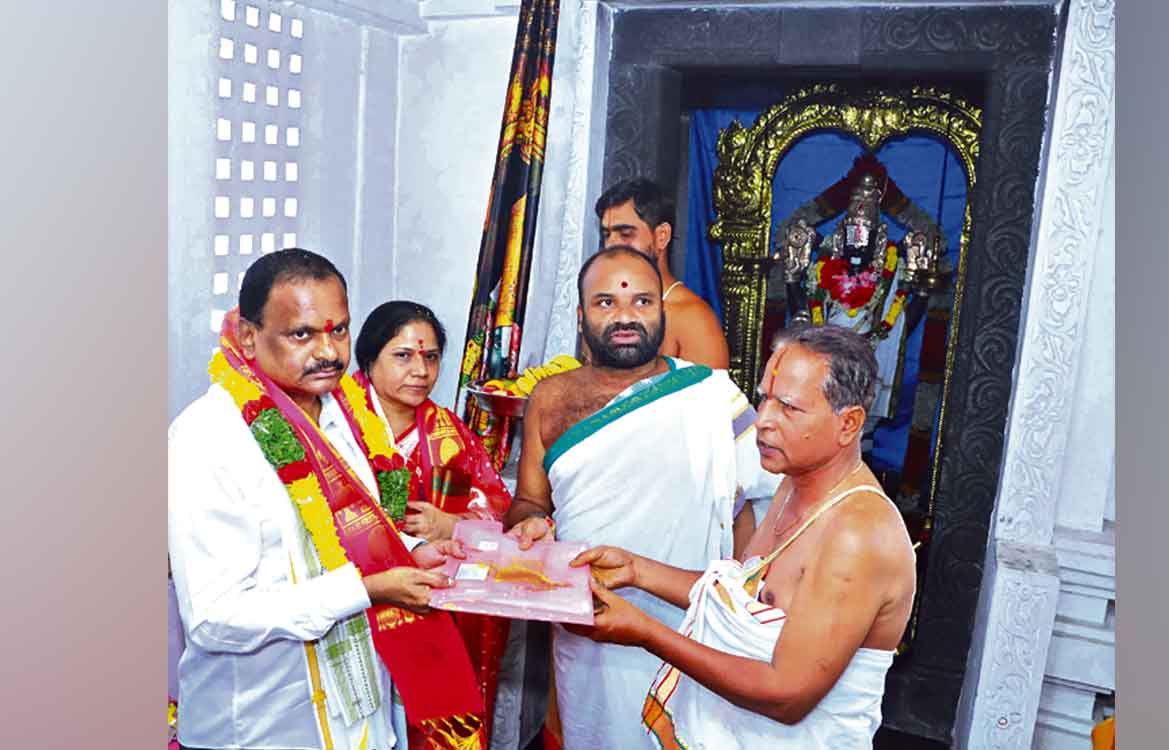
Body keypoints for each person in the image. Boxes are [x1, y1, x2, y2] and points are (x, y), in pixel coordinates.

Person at [169, 249, 483, 750]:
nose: (329, 351)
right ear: (249, 336)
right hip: (263, 726)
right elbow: (213, 618)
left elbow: (339, 533)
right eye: (302, 334)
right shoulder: (207, 437)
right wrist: (368, 590)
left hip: (359, 713)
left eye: (338, 330)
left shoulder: (344, 414)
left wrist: (409, 548)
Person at [567, 324, 917, 749]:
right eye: (765, 397)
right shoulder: (795, 482)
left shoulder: (857, 536)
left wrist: (645, 632)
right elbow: (740, 596)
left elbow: (786, 695)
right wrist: (637, 570)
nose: (764, 420)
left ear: (849, 425)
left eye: (788, 408)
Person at [505, 246, 781, 750]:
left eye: (642, 302)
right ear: (581, 316)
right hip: (591, 622)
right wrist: (530, 524)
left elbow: (754, 511)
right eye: (606, 303)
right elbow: (528, 500)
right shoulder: (550, 397)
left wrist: (736, 610)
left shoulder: (711, 396)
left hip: (689, 624)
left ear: (661, 311)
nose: (625, 316)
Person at [353, 299, 514, 743]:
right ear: (369, 360)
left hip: (428, 601)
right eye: (402, 356)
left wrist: (453, 525)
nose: (420, 370)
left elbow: (497, 504)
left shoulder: (446, 431)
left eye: (430, 356)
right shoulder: (337, 424)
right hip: (355, 600)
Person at [595, 177, 730, 369]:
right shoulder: (601, 307)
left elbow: (710, 398)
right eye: (606, 235)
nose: (610, 245)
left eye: (625, 234)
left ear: (661, 236)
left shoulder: (693, 319)